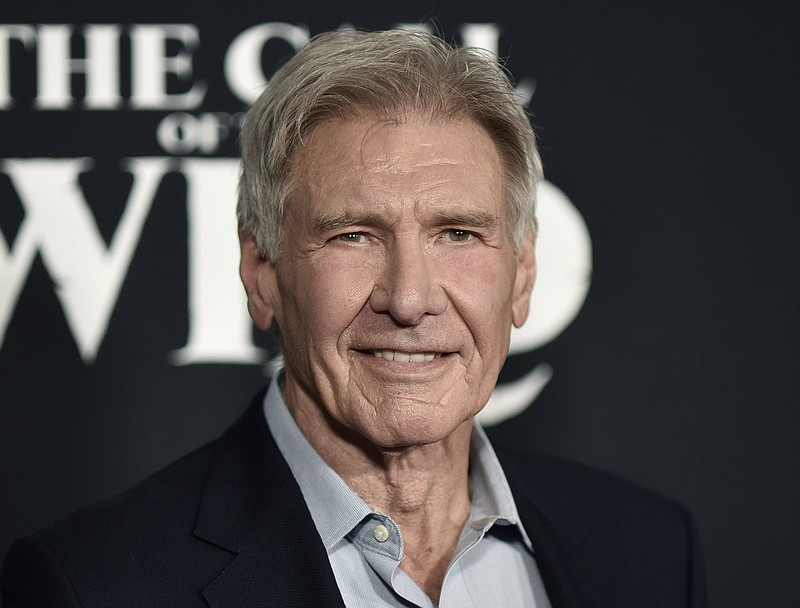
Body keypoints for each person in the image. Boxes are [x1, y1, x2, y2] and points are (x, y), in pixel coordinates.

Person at [1, 29, 706, 607]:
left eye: (457, 233)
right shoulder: (90, 586)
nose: (408, 299)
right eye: (353, 236)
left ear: (522, 275)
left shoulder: (646, 552)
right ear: (262, 272)